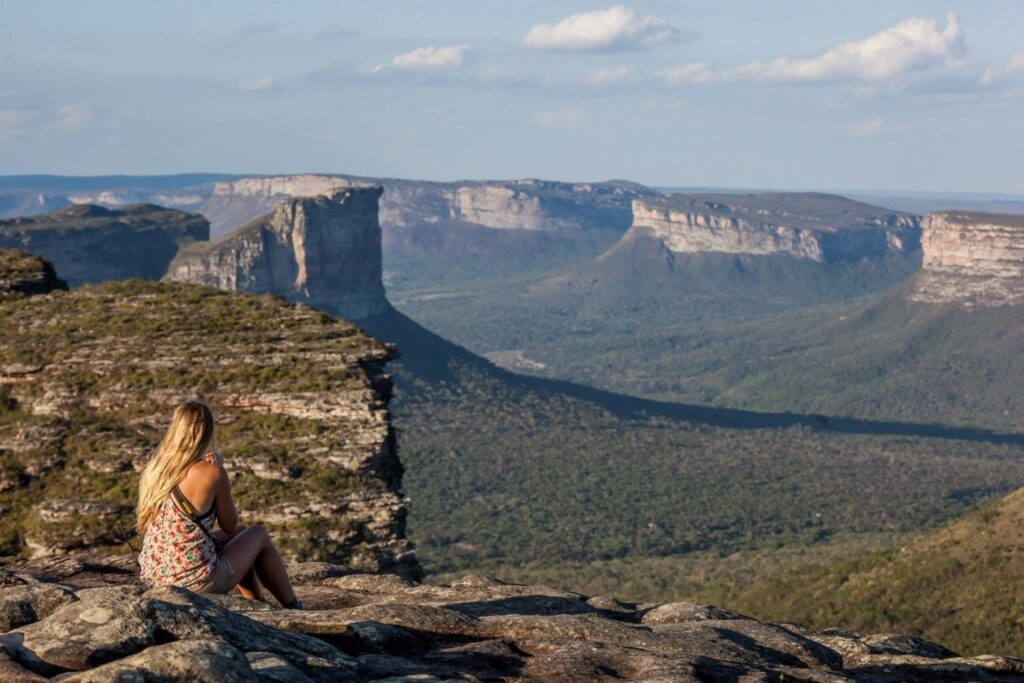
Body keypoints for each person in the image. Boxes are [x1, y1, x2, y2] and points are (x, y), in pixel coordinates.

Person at [136, 399, 303, 608]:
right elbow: (229, 524)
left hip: (155, 577)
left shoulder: (155, 469)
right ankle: (294, 607)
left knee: (242, 535)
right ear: (206, 432)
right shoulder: (211, 473)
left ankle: (257, 604)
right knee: (258, 534)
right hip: (194, 582)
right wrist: (219, 472)